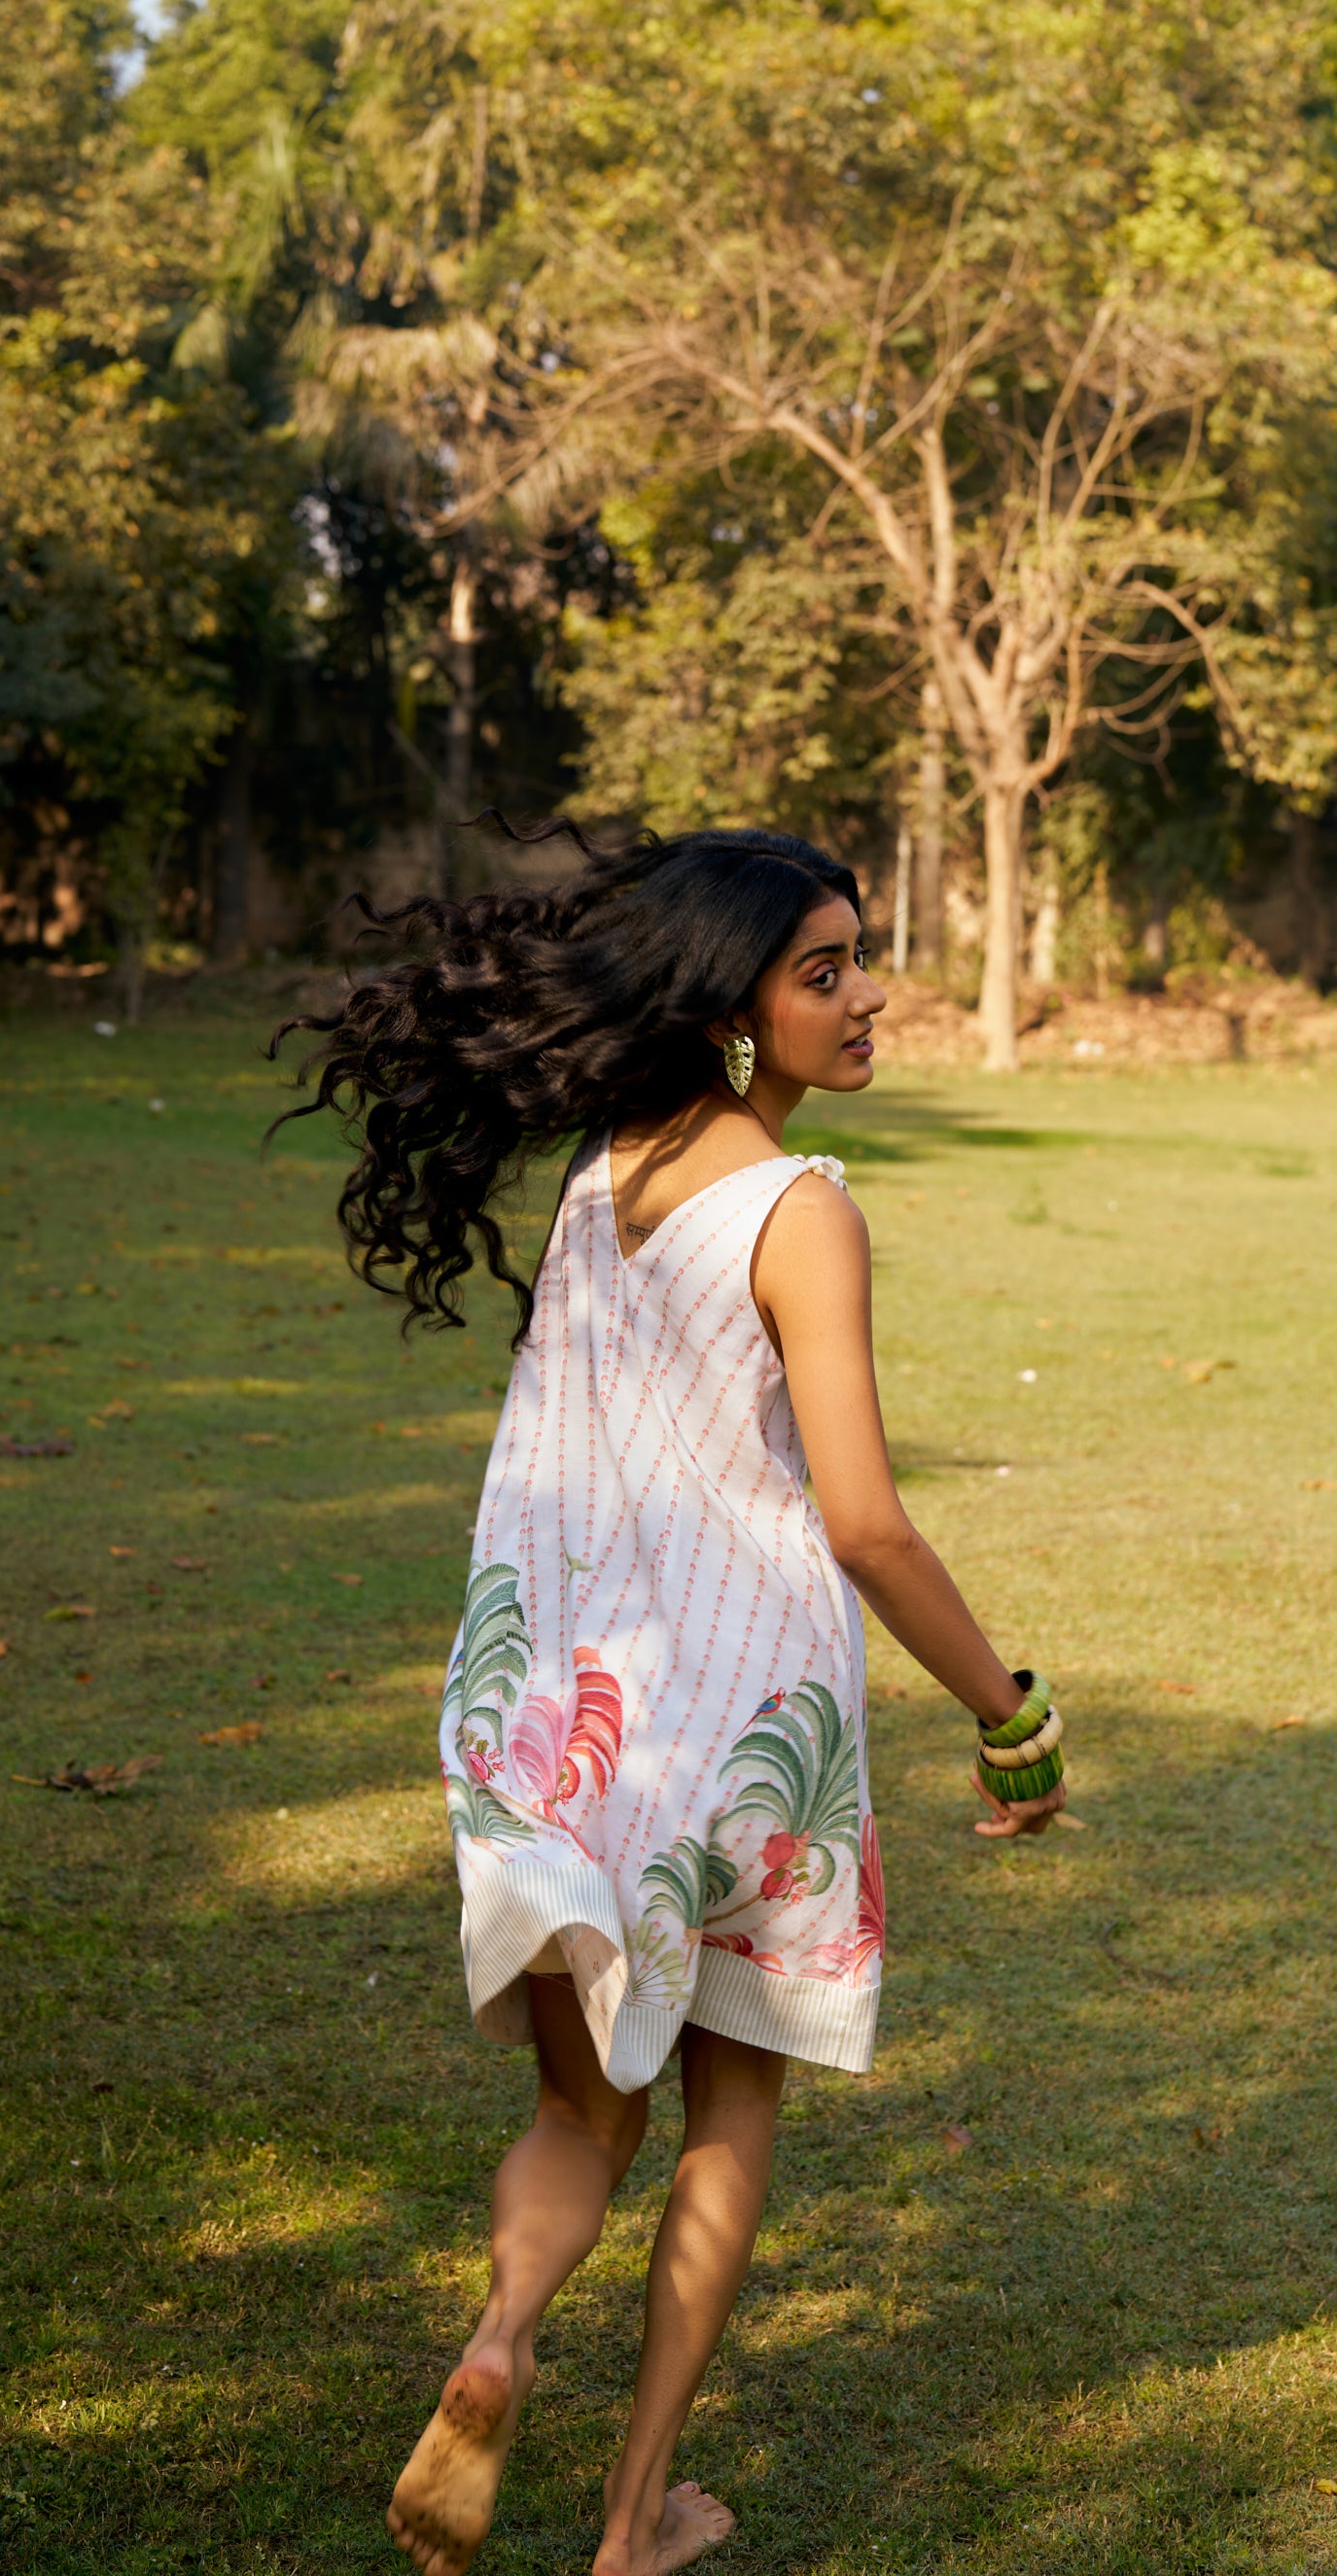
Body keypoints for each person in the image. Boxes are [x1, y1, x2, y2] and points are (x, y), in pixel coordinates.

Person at [279, 826, 1067, 2576]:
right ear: (729, 1004)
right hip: (748, 1738)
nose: (865, 996)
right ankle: (632, 2526)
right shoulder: (801, 1212)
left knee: (579, 2116)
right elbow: (861, 1518)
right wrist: (1009, 1709)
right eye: (822, 971)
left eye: (861, 957)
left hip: (564, 1725)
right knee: (730, 2112)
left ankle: (499, 2338)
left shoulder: (598, 1174)